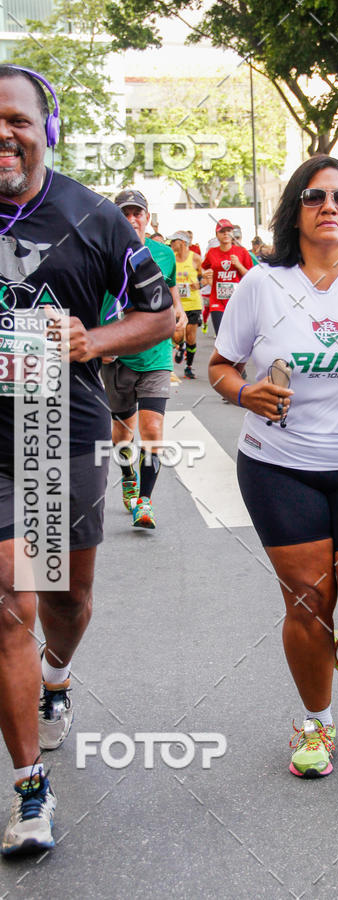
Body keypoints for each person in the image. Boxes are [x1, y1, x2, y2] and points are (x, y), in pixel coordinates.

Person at [0, 66, 174, 855]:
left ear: (47, 127)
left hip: (57, 425)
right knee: (11, 598)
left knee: (65, 596)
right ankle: (31, 793)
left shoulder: (96, 218)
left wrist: (92, 340)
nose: (3, 135)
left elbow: (161, 313)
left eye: (16, 119)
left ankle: (59, 676)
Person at [208, 155, 338, 779]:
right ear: (294, 211)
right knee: (309, 601)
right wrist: (244, 393)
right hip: (280, 464)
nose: (330, 206)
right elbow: (219, 364)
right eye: (314, 196)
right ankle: (316, 722)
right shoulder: (262, 284)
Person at [100, 189, 186, 529]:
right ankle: (127, 474)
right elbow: (92, 299)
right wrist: (98, 342)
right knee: (122, 433)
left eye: (138, 213)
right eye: (126, 213)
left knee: (152, 429)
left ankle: (145, 502)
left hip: (156, 354)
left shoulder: (164, 254)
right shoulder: (103, 251)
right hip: (116, 355)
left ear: (147, 217)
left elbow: (172, 292)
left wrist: (178, 312)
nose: (132, 219)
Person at [202, 219, 252, 336]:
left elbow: (250, 276)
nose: (225, 234)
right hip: (217, 302)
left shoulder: (242, 252)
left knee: (237, 338)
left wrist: (239, 266)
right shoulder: (212, 252)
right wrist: (206, 276)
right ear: (217, 235)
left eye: (228, 231)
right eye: (222, 231)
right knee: (221, 338)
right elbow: (204, 269)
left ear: (232, 233)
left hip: (237, 302)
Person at [170, 230, 203, 379]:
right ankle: (180, 346)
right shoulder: (172, 258)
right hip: (178, 305)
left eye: (173, 241)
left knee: (191, 337)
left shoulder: (195, 258)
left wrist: (199, 284)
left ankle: (188, 367)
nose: (171, 244)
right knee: (177, 336)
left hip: (193, 304)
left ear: (182, 243)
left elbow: (206, 277)